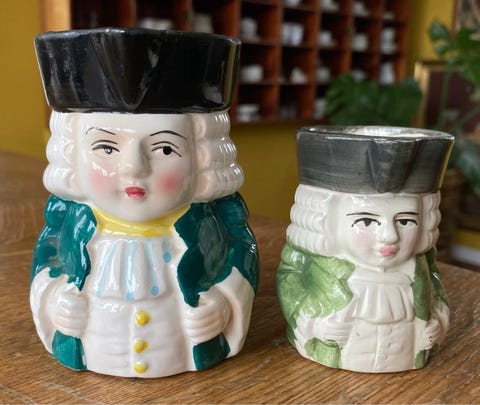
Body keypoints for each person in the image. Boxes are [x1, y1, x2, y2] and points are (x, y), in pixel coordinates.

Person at [31, 28, 259, 378]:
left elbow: (241, 257)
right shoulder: (72, 221)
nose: (134, 168)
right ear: (73, 154)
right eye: (107, 148)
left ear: (202, 158)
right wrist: (53, 300)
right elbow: (47, 262)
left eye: (165, 149)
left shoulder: (211, 221)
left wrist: (225, 304)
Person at [277, 126, 452, 373]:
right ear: (330, 221)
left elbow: (436, 291)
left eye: (405, 221)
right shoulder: (321, 266)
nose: (390, 236)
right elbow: (290, 284)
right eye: (367, 221)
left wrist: (437, 324)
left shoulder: (419, 270)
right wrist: (316, 325)